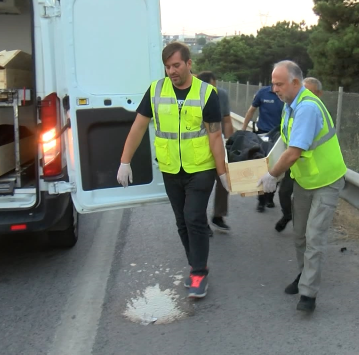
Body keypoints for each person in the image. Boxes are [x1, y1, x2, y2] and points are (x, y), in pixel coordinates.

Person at [116, 42, 228, 299]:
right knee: (181, 220)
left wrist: (222, 174)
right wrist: (125, 161)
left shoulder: (206, 93)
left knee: (193, 217)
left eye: (176, 65)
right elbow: (138, 127)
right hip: (170, 168)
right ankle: (196, 264)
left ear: (189, 64)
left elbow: (215, 136)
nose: (171, 71)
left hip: (201, 167)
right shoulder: (156, 90)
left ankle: (199, 273)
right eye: (167, 67)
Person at [258, 60, 347, 312]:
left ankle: (308, 293)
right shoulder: (290, 105)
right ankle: (303, 275)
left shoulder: (307, 107)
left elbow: (294, 151)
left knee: (315, 236)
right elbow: (285, 142)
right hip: (306, 179)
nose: (274, 89)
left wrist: (272, 175)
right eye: (273, 83)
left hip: (326, 180)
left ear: (295, 83)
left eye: (279, 84)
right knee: (300, 235)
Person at [275, 77, 324, 232]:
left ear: (319, 93)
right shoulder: (291, 109)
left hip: (314, 167)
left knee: (310, 224)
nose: (304, 94)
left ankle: (303, 225)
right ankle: (288, 215)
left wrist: (271, 174)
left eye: (309, 91)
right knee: (283, 192)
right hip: (295, 164)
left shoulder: (314, 110)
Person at [196, 70, 234, 232]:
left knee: (224, 180)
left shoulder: (222, 95)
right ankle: (201, 220)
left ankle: (218, 215)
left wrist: (231, 144)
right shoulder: (193, 97)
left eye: (214, 88)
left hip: (219, 143)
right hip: (199, 147)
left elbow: (226, 120)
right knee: (202, 184)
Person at [241, 84, 285, 212]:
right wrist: (243, 129)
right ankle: (261, 201)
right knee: (262, 167)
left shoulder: (285, 95)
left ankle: (270, 196)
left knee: (275, 166)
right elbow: (251, 110)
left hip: (279, 137)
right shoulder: (263, 93)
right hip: (262, 134)